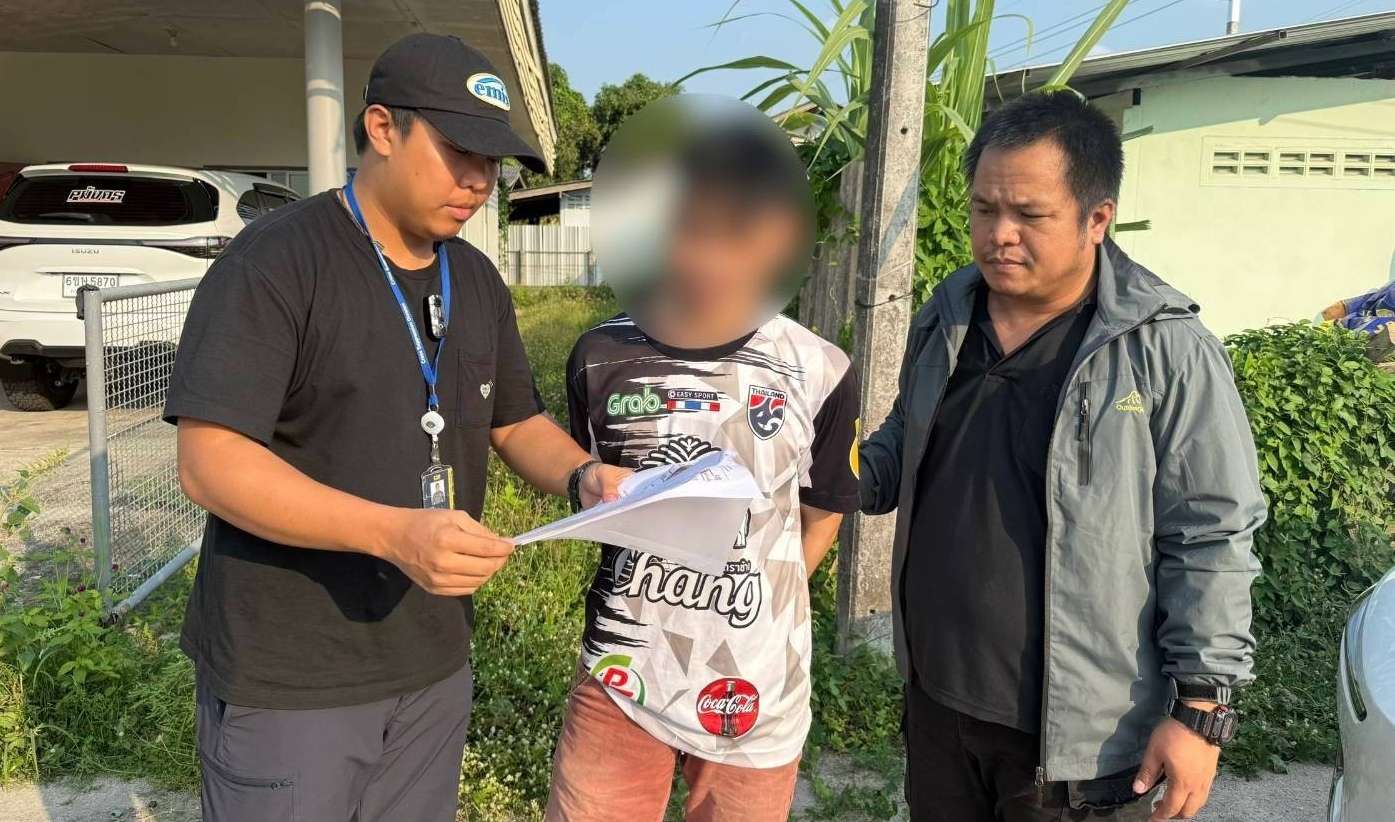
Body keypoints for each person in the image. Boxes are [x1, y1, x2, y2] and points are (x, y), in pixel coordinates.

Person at [164, 33, 627, 822]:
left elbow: (515, 419)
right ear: (383, 128)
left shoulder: (474, 277)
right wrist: (392, 534)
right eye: (459, 152)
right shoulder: (277, 262)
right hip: (294, 674)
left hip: (432, 660)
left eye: (492, 162)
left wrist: (586, 478)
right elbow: (210, 463)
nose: (479, 181)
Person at [858, 90, 1267, 822]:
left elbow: (1210, 532)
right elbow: (902, 441)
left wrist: (1201, 709)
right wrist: (827, 465)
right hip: (939, 704)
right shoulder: (947, 315)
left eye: (1029, 214)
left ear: (1096, 218)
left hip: (1080, 740)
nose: (999, 235)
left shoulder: (1162, 348)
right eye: (984, 209)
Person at [544, 103, 862, 821]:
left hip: (757, 693)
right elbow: (597, 490)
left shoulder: (819, 368)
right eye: (689, 229)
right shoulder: (600, 356)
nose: (708, 257)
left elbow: (820, 517)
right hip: (620, 676)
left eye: (734, 233)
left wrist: (746, 601)